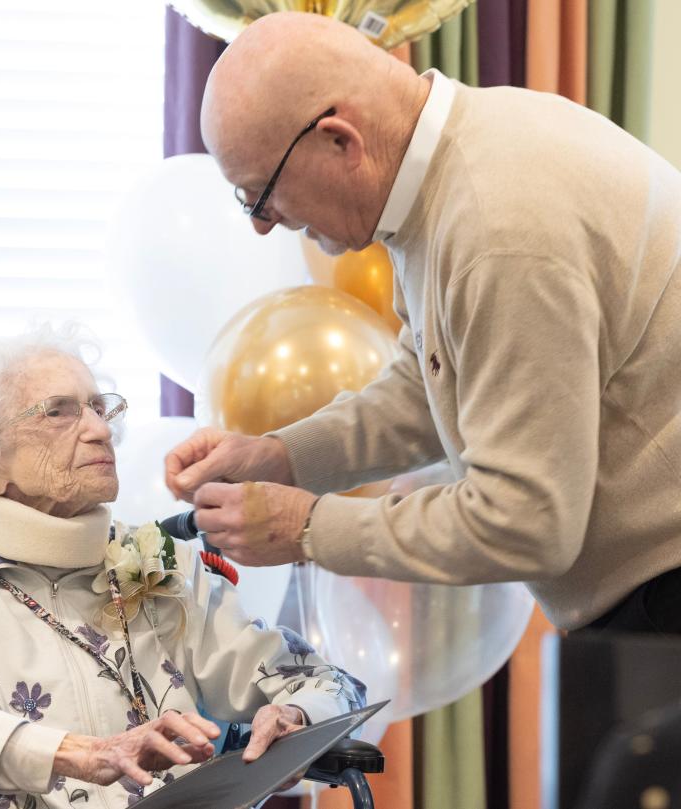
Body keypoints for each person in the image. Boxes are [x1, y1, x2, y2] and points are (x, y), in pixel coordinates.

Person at [164, 11, 681, 634]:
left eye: (261, 193)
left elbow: (525, 523)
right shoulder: (453, 165)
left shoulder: (499, 229)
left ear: (339, 140)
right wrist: (280, 456)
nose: (262, 223)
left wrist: (302, 527)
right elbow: (430, 386)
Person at [0, 323, 364, 809]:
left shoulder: (161, 559)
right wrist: (77, 754)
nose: (98, 429)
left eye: (97, 407)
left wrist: (296, 715)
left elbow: (324, 682)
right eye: (59, 411)